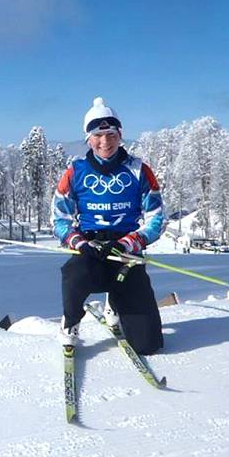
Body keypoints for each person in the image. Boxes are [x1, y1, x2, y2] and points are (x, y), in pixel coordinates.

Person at [53, 97, 166, 355]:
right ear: (88, 138)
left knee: (148, 346)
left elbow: (157, 218)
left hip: (125, 251)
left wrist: (130, 242)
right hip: (91, 246)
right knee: (74, 274)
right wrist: (79, 242)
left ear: (120, 135)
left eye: (111, 133)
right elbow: (59, 219)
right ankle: (70, 323)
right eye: (98, 134)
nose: (105, 141)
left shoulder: (139, 170)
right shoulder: (75, 171)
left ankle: (115, 304)